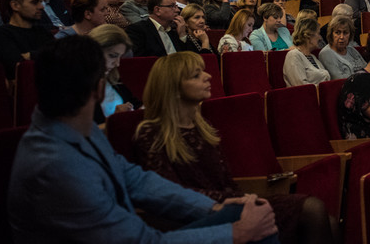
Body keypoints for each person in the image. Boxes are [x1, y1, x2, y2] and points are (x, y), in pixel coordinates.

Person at [8, 36, 279, 243]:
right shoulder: (57, 166)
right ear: (99, 89)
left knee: (244, 212)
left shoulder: (75, 129)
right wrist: (235, 233)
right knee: (247, 223)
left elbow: (134, 179)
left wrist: (214, 207)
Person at [131, 51, 335, 244]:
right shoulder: (152, 133)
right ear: (173, 88)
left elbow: (226, 180)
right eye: (196, 75)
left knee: (329, 222)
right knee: (312, 210)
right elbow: (169, 193)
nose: (208, 76)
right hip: (200, 216)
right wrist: (234, 201)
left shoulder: (203, 127)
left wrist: (243, 199)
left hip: (232, 203)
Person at [126, 0, 212, 57]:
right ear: (157, 10)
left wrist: (182, 35)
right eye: (172, 6)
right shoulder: (138, 31)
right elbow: (142, 62)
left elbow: (188, 59)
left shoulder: (175, 31)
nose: (178, 10)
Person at [88, 24, 140, 124]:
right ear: (94, 51)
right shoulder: (76, 90)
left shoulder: (114, 79)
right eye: (112, 56)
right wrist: (115, 120)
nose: (117, 63)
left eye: (119, 57)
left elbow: (135, 104)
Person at [282, 18, 331, 86]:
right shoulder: (293, 55)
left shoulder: (312, 56)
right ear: (308, 36)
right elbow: (301, 87)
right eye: (318, 33)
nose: (320, 38)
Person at [318, 15, 366, 80]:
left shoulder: (350, 49)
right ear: (331, 34)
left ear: (350, 34)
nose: (341, 37)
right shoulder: (326, 54)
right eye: (337, 33)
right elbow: (340, 80)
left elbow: (366, 69)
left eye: (345, 33)